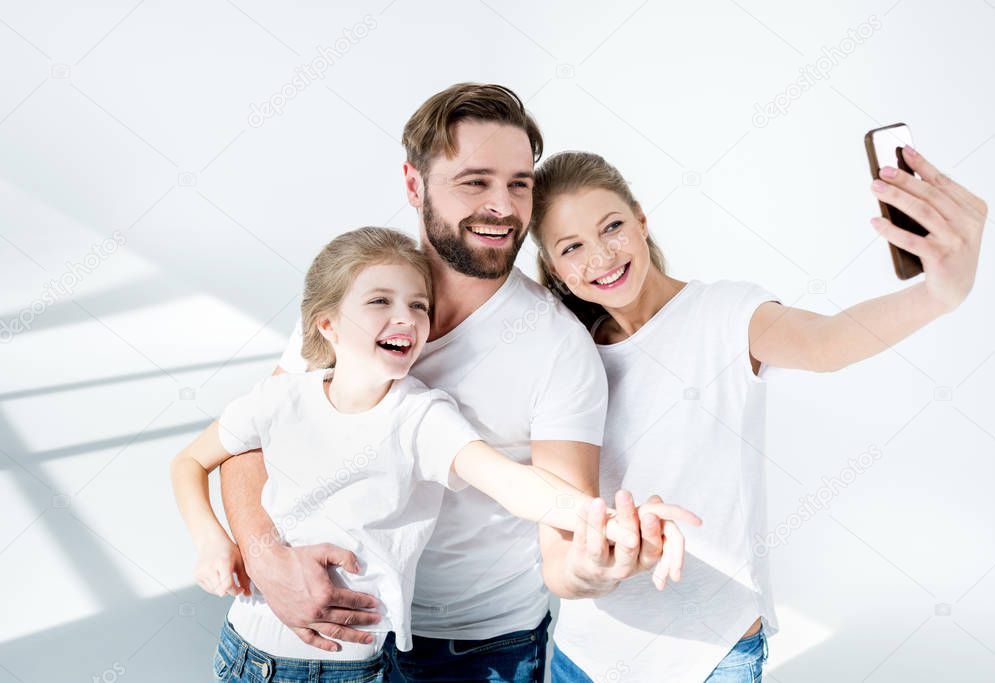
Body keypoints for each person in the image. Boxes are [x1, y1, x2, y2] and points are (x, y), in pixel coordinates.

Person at [218, 84, 680, 682]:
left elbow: (560, 526)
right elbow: (251, 438)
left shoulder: (557, 346)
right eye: (475, 181)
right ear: (414, 185)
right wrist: (265, 556)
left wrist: (609, 542)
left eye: (519, 183)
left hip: (473, 650)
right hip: (332, 628)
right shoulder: (364, 293)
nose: (504, 206)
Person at [527, 149, 987, 682]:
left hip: (711, 656)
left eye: (612, 227)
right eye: (573, 247)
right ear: (556, 269)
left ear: (641, 219)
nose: (601, 256)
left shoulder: (723, 314)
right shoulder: (564, 353)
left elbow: (827, 343)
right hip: (586, 657)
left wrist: (937, 296)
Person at [170, 227, 697, 682]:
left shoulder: (420, 417)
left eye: (418, 304)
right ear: (327, 324)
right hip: (247, 651)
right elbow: (190, 461)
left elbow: (513, 483)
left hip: (356, 666)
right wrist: (212, 540)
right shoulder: (281, 398)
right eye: (379, 302)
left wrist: (605, 518)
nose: (406, 317)